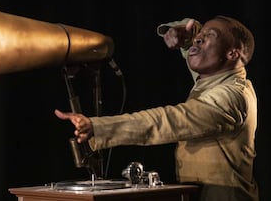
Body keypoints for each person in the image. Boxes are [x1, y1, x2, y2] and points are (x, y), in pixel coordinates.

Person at [55, 15, 259, 201]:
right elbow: (195, 34)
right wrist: (185, 34)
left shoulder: (231, 97)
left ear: (232, 54)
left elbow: (168, 121)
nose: (198, 39)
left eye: (209, 36)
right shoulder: (215, 78)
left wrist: (98, 127)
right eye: (200, 35)